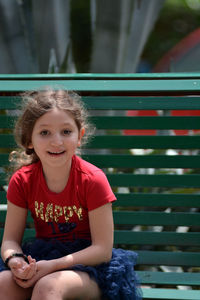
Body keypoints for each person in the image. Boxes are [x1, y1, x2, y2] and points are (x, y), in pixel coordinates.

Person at [0, 89, 142, 300]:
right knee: (4, 283)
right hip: (43, 258)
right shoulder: (23, 180)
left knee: (48, 287)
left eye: (66, 132)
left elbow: (103, 250)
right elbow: (10, 240)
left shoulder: (92, 179)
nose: (56, 141)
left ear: (80, 137)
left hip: (91, 268)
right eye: (44, 132)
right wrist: (15, 260)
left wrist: (53, 266)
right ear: (29, 139)